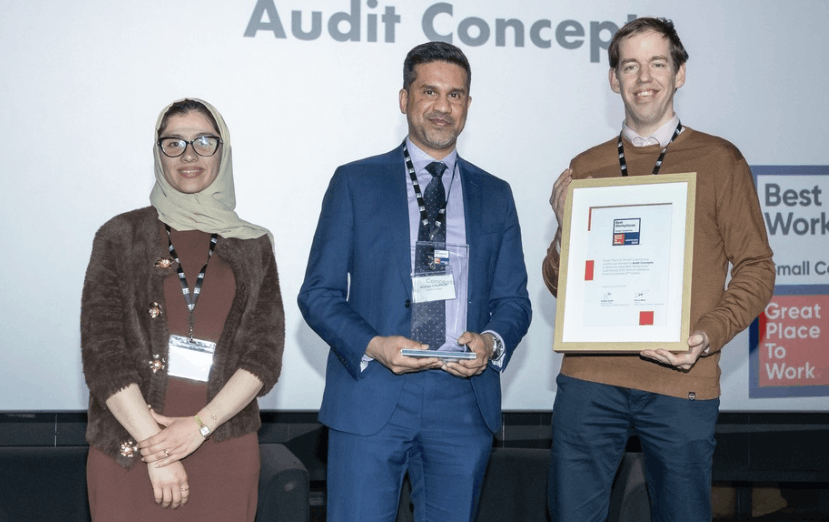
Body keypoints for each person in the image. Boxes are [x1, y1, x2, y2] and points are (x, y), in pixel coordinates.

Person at [543, 17, 775, 522]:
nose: (643, 77)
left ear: (680, 73)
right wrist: (565, 232)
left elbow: (757, 267)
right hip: (590, 380)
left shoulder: (720, 159)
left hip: (680, 380)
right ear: (613, 79)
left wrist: (705, 335)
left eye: (657, 63)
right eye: (630, 65)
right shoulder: (585, 166)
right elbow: (560, 283)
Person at [298, 42, 531, 521]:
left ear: (468, 105)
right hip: (373, 394)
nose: (443, 106)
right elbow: (318, 294)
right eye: (429, 91)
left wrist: (490, 341)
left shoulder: (496, 193)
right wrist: (375, 344)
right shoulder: (354, 182)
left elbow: (514, 301)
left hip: (462, 403)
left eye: (456, 95)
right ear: (404, 99)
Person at [81, 98, 284, 521]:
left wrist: (198, 427)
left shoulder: (254, 245)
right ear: (159, 154)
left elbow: (264, 355)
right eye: (173, 143)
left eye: (204, 142)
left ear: (222, 151)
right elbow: (103, 354)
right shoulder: (119, 236)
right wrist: (156, 450)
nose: (189, 155)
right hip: (129, 451)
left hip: (223, 448)